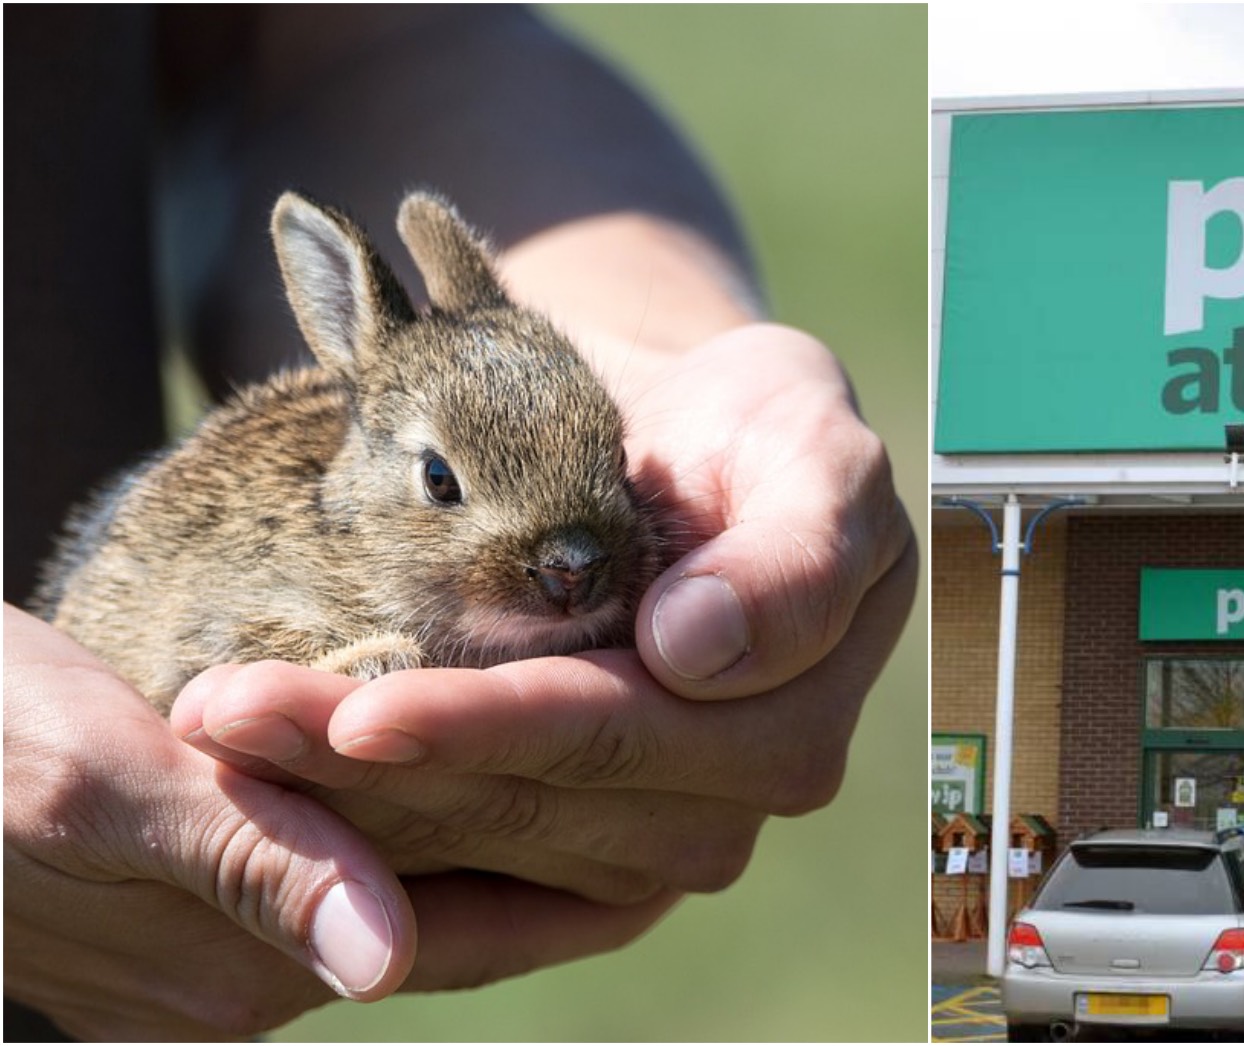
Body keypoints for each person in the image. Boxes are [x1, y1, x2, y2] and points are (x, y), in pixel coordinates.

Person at [4, 7, 916, 1040]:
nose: (572, 565)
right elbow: (195, 649)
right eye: (445, 484)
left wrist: (692, 366)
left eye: (605, 465)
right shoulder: (295, 569)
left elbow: (365, 37)